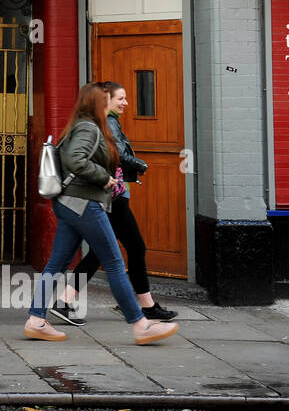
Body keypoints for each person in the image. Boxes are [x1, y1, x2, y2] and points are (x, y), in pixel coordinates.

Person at [24, 83, 179, 346]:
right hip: (84, 203)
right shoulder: (89, 127)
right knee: (115, 263)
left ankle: (36, 320)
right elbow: (75, 159)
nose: (116, 104)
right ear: (97, 102)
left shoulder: (80, 125)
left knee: (57, 264)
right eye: (109, 99)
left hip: (69, 202)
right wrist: (104, 177)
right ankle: (141, 325)